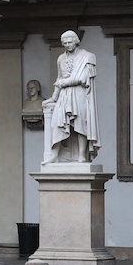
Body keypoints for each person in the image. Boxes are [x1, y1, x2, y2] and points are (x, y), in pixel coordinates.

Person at [42, 29, 100, 164]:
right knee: (57, 123)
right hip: (64, 95)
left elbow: (83, 78)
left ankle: (81, 155)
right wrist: (54, 97)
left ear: (76, 42)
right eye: (65, 43)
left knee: (81, 124)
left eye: (69, 42)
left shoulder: (88, 57)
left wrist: (64, 83)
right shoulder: (61, 59)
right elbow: (59, 77)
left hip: (80, 93)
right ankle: (55, 154)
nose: (67, 45)